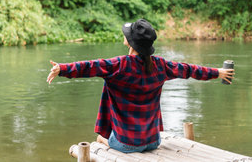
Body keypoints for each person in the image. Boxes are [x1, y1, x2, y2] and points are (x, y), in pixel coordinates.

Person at [46, 19, 235, 153]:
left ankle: (104, 138)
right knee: (109, 82)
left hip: (125, 143)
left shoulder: (119, 65)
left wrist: (62, 69)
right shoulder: (160, 65)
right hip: (153, 141)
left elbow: (90, 67)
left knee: (99, 138)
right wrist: (218, 72)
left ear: (130, 42)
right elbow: (189, 70)